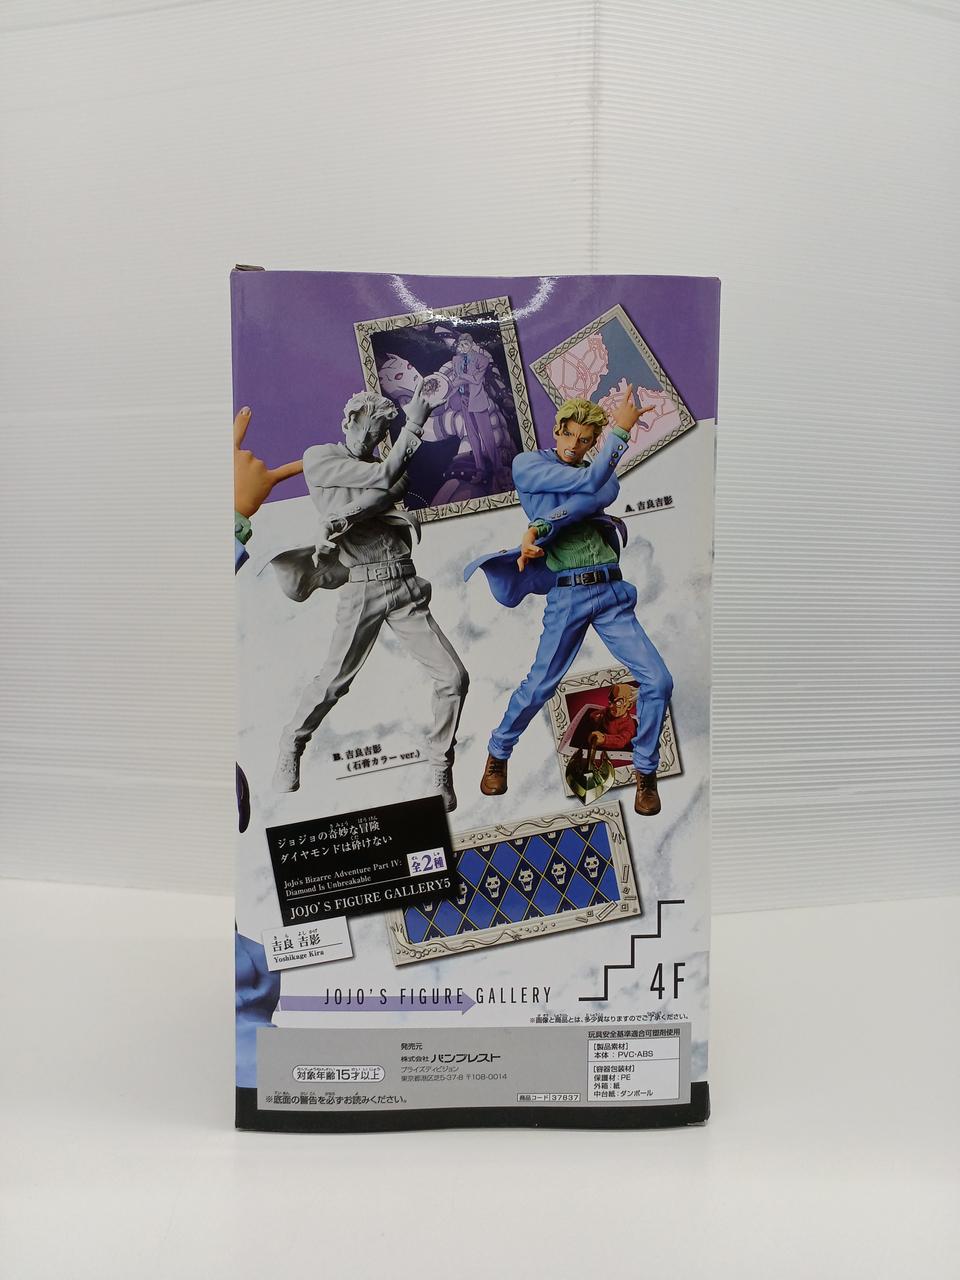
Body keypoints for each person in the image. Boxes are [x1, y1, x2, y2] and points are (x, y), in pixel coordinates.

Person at [464, 386, 672, 816]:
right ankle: (498, 751)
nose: (575, 446)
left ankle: (645, 771)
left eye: (586, 440)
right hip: (569, 593)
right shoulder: (528, 464)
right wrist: (620, 434)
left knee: (659, 680)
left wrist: (544, 524)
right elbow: (591, 486)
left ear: (593, 442)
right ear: (557, 429)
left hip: (612, 591)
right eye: (570, 435)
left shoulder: (597, 471)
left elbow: (597, 488)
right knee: (541, 684)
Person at [270, 383, 469, 811]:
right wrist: (414, 424)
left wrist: (340, 517)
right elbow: (382, 482)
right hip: (362, 587)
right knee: (334, 682)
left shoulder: (386, 466)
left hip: (404, 582)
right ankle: (292, 742)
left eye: (382, 434)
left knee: (453, 678)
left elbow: (386, 489)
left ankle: (440, 763)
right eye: (371, 429)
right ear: (350, 420)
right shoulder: (320, 457)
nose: (374, 439)